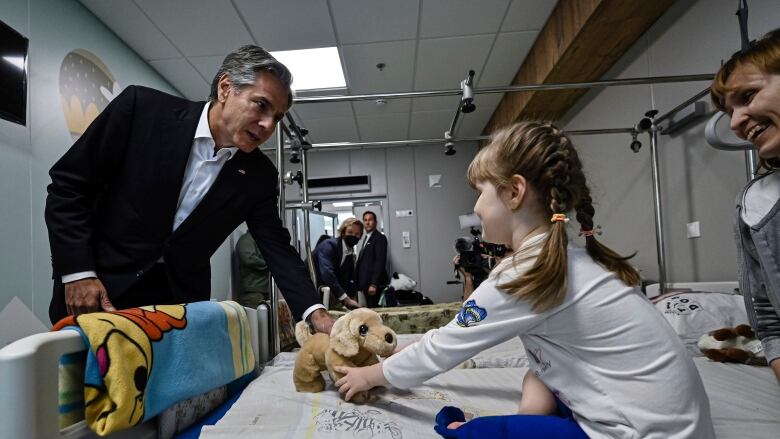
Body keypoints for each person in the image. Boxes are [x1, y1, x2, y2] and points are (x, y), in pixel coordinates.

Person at [333, 121, 714, 438]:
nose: (476, 208)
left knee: (468, 431)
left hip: (640, 431)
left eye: (480, 193)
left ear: (514, 192)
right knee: (539, 373)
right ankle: (536, 418)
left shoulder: (524, 274)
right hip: (672, 422)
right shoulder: (567, 259)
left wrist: (369, 375)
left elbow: (443, 348)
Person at [45, 45, 334, 334]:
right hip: (98, 291)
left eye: (278, 116)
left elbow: (277, 248)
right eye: (261, 105)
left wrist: (316, 313)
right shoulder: (142, 111)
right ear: (225, 88)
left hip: (176, 311)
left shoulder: (258, 176)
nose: (268, 124)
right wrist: (78, 273)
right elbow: (69, 186)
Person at [710, 28, 780, 384]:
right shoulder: (758, 204)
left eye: (748, 96)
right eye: (729, 111)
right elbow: (768, 317)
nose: (735, 122)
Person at [311, 218, 363, 309]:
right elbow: (327, 273)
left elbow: (348, 279)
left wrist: (352, 300)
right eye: (350, 232)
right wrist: (345, 299)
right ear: (343, 232)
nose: (353, 236)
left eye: (357, 234)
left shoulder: (349, 253)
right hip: (312, 289)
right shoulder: (328, 245)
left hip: (328, 294)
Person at [356, 210, 389, 307]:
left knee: (375, 313)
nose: (367, 222)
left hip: (374, 285)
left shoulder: (380, 238)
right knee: (369, 311)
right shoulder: (366, 238)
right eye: (365, 220)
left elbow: (380, 261)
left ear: (375, 222)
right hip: (366, 284)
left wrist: (374, 284)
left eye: (370, 220)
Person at [235, 231, 271, 306]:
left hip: (264, 290)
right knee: (255, 317)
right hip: (253, 292)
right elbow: (249, 259)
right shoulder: (246, 239)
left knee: (266, 316)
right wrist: (269, 263)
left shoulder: (259, 239)